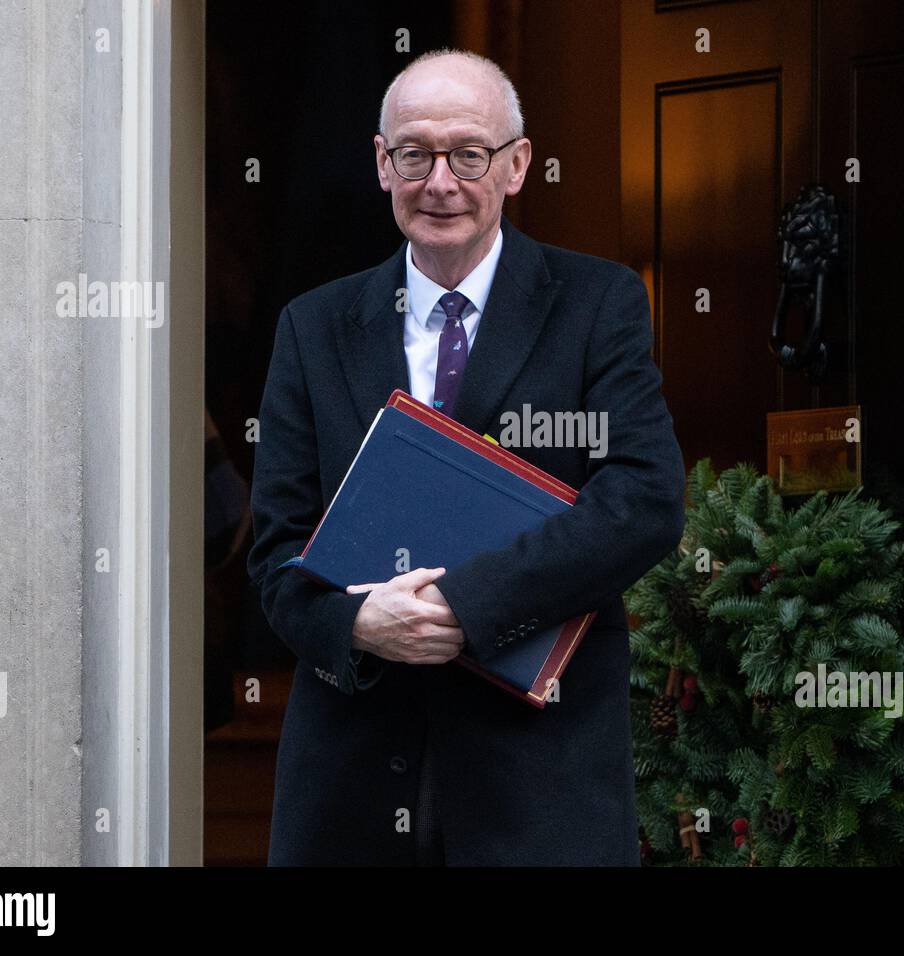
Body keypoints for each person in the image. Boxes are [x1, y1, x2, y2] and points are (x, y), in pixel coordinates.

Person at [247, 48, 686, 866]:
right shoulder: (312, 327)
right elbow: (278, 552)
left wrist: (465, 605)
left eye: (469, 155)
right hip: (352, 789)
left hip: (538, 786)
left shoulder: (599, 304)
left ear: (517, 165)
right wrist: (358, 624)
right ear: (383, 164)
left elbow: (644, 500)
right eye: (414, 153)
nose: (440, 181)